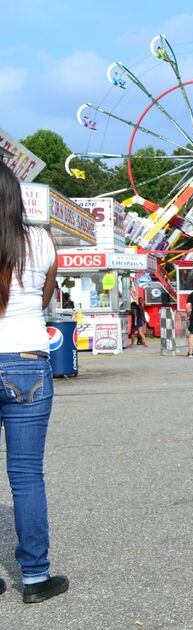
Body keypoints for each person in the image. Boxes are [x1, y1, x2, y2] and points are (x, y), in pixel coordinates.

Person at [0, 163, 70, 603]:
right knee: (26, 476)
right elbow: (44, 300)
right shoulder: (41, 240)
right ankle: (34, 578)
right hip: (27, 358)